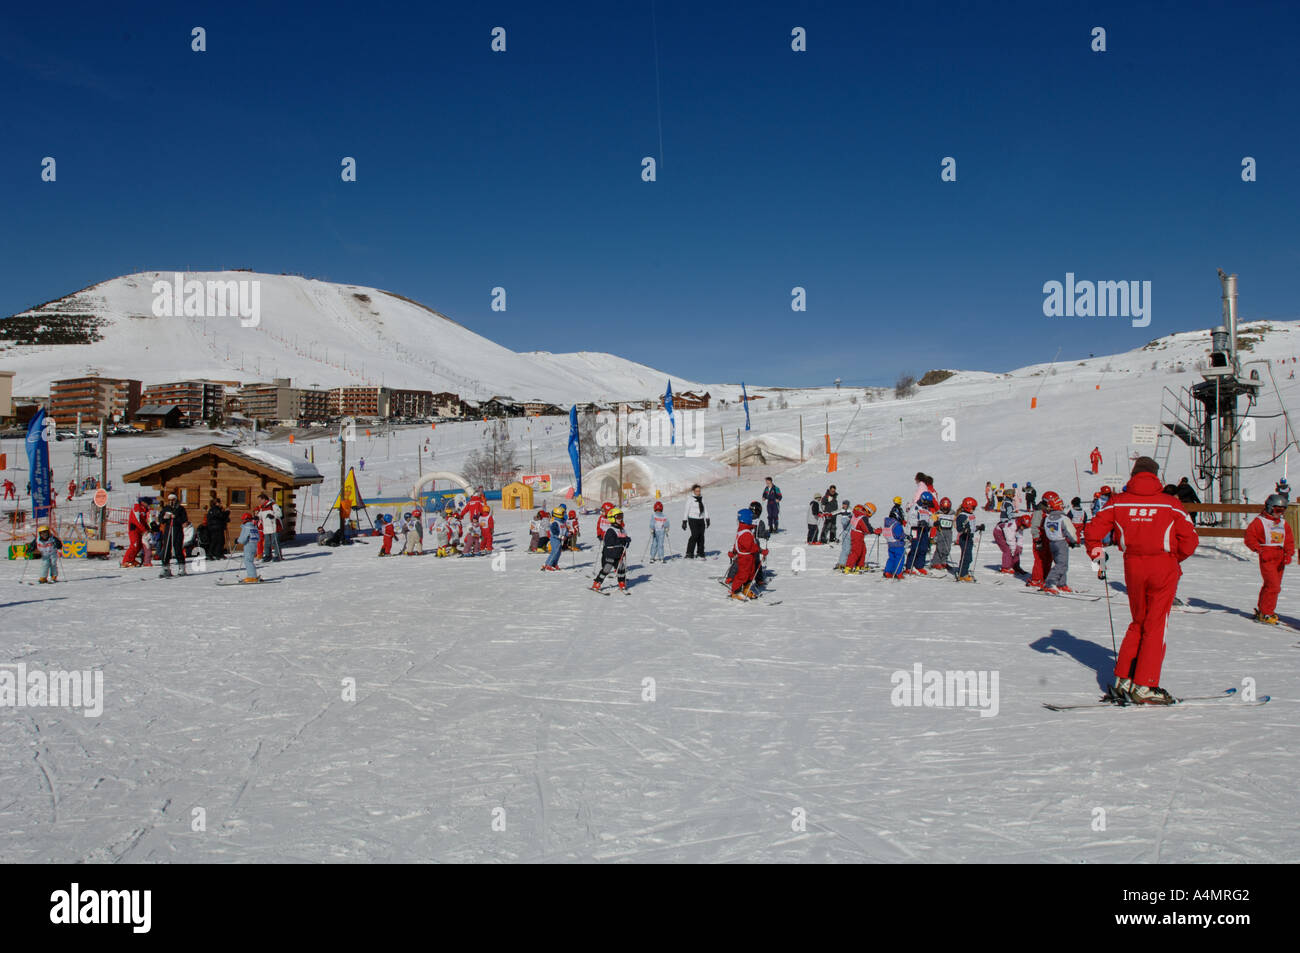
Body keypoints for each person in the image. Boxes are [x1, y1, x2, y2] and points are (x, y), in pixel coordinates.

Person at [1084, 457, 1200, 704]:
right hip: (1163, 564)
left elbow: (1092, 533)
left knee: (1139, 621)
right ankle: (1145, 684)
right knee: (1156, 625)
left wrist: (1098, 559)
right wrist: (1173, 558)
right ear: (1155, 475)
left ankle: (1123, 678)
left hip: (1133, 564)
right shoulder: (1170, 504)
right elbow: (1190, 541)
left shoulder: (1118, 502)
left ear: (1134, 474)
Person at [1244, 493, 1294, 625]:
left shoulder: (1283, 523)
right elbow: (1249, 537)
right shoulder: (1260, 522)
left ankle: (1263, 610)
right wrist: (1259, 550)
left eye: (1283, 511)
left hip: (1280, 556)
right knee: (1274, 586)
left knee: (1271, 585)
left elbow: (1289, 539)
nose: (1280, 514)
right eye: (1278, 510)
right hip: (1268, 557)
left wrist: (1288, 553)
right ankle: (1266, 612)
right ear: (1270, 508)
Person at [1040, 492, 1079, 593]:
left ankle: (1061, 583)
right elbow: (1070, 531)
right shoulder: (1063, 518)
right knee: (1062, 564)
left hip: (1052, 542)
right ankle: (1049, 583)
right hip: (1061, 543)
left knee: (1059, 562)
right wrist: (1074, 541)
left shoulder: (1047, 518)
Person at [727, 508, 766, 600]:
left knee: (750, 574)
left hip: (750, 557)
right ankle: (735, 592)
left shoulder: (746, 530)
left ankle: (746, 589)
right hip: (745, 558)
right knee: (742, 575)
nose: (752, 520)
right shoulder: (745, 533)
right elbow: (750, 546)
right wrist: (761, 551)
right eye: (751, 518)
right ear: (746, 519)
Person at [591, 507, 630, 591]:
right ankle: (597, 583)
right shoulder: (610, 530)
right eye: (618, 517)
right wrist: (622, 540)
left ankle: (621, 582)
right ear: (612, 518)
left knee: (621, 568)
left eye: (621, 516)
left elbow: (624, 539)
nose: (621, 519)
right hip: (610, 554)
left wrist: (627, 540)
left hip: (619, 554)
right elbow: (610, 541)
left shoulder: (622, 529)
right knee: (607, 568)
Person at [157, 492, 188, 577]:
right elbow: (160, 519)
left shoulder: (180, 508)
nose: (171, 502)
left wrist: (176, 518)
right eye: (169, 500)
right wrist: (165, 518)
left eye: (173, 500)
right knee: (166, 548)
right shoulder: (166, 508)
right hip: (168, 529)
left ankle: (182, 568)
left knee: (177, 548)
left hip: (177, 529)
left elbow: (184, 519)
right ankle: (166, 568)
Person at [905, 491, 935, 574]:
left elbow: (929, 520)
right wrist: (918, 522)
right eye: (926, 502)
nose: (927, 504)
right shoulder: (915, 507)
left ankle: (919, 565)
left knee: (923, 548)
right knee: (915, 548)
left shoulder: (926, 509)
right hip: (915, 530)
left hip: (924, 530)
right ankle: (909, 566)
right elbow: (910, 520)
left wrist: (933, 523)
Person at [954, 497, 982, 582]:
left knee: (969, 557)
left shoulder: (970, 515)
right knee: (966, 557)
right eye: (973, 507)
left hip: (969, 538)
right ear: (968, 507)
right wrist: (965, 530)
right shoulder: (962, 516)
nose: (974, 509)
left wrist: (979, 527)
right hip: (964, 539)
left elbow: (972, 528)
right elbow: (959, 528)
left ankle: (964, 572)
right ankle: (962, 574)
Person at [843, 503, 875, 573]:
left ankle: (860, 565)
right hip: (857, 534)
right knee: (856, 551)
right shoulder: (862, 517)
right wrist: (875, 531)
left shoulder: (858, 513)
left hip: (856, 533)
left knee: (863, 550)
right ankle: (848, 567)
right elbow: (867, 528)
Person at [122, 497, 151, 567]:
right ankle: (126, 561)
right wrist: (144, 530)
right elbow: (136, 521)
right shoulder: (137, 508)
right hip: (134, 529)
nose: (148, 505)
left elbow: (143, 521)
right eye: (148, 504)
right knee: (134, 545)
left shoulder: (143, 510)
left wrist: (148, 528)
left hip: (139, 530)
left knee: (139, 546)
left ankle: (131, 560)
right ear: (143, 503)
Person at [683, 485, 708, 558]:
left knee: (701, 536)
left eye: (699, 491)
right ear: (693, 491)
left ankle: (700, 552)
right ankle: (689, 553)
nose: (698, 492)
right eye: (697, 491)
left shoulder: (702, 499)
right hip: (692, 519)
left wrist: (707, 518)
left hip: (701, 519)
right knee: (695, 535)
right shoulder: (690, 499)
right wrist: (684, 521)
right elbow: (686, 510)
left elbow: (705, 509)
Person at [882, 506, 907, 579]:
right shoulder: (896, 524)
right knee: (899, 559)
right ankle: (898, 573)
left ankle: (888, 571)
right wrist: (906, 536)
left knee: (891, 558)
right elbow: (899, 535)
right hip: (898, 545)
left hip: (890, 544)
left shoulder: (887, 524)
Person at [930, 497, 955, 570]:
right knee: (940, 547)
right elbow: (931, 521)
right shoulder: (938, 513)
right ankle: (936, 562)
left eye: (946, 509)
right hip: (940, 531)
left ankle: (944, 561)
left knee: (947, 547)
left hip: (949, 532)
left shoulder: (952, 514)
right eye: (944, 509)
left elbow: (956, 521)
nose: (945, 510)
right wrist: (935, 523)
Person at [235, 512, 261, 582]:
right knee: (250, 560)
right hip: (254, 545)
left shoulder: (246, 527)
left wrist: (238, 540)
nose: (242, 521)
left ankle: (252, 576)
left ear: (246, 520)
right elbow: (258, 537)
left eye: (243, 520)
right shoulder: (254, 526)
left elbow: (243, 538)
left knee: (248, 561)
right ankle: (253, 575)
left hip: (248, 545)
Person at [258, 493, 283, 562]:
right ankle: (268, 555)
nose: (259, 502)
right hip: (266, 527)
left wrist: (273, 516)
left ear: (264, 499)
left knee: (275, 542)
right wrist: (257, 517)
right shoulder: (262, 507)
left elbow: (280, 513)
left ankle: (278, 555)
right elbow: (260, 515)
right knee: (267, 543)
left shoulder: (273, 505)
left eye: (260, 500)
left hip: (274, 526)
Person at [542, 505, 566, 571]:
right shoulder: (555, 522)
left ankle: (554, 563)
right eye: (563, 513)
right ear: (558, 514)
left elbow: (564, 529)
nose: (564, 514)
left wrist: (568, 534)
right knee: (555, 551)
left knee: (558, 552)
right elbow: (554, 532)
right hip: (555, 539)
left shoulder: (562, 522)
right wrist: (560, 536)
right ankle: (549, 564)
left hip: (560, 539)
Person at [205, 495, 229, 559]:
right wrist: (227, 512)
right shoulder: (216, 509)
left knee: (215, 540)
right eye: (219, 502)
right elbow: (221, 516)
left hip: (213, 527)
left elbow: (220, 517)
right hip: (216, 527)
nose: (220, 504)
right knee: (219, 541)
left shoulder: (212, 509)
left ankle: (213, 553)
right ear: (216, 503)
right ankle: (216, 553)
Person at [834, 501, 853, 569]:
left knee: (848, 549)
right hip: (846, 533)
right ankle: (842, 563)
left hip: (849, 533)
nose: (844, 505)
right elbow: (844, 522)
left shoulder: (851, 511)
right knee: (846, 549)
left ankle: (845, 562)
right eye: (843, 504)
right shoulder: (843, 513)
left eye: (845, 504)